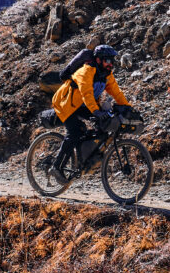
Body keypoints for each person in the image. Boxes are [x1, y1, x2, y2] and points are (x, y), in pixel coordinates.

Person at [50, 44, 131, 181]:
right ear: (99, 60)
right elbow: (86, 93)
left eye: (113, 61)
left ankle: (84, 155)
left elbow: (117, 93)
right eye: (108, 61)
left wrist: (129, 108)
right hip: (66, 104)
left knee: (101, 124)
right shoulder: (86, 71)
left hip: (82, 105)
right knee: (74, 132)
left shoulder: (106, 75)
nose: (111, 64)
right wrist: (96, 111)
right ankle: (56, 167)